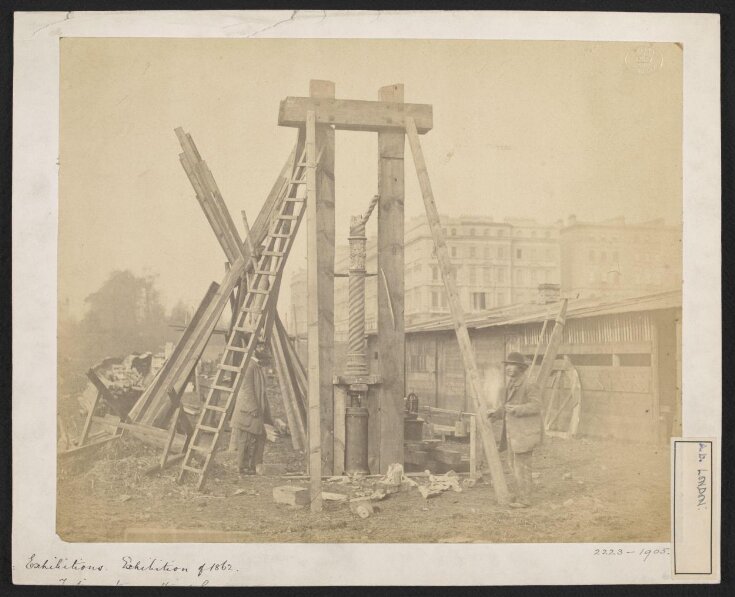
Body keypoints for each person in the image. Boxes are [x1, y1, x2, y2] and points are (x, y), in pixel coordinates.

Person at [487, 352, 542, 508]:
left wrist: (518, 409)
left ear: (521, 368)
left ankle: (525, 500)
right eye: (507, 365)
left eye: (513, 366)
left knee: (523, 467)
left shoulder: (529, 384)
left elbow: (537, 406)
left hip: (524, 432)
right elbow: (505, 408)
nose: (509, 369)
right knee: (512, 464)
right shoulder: (510, 384)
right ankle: (520, 495)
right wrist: (494, 414)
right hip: (513, 433)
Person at [231, 342, 272, 475]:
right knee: (246, 439)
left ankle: (252, 466)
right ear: (254, 350)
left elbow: (261, 391)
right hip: (247, 411)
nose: (264, 349)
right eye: (260, 347)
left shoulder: (257, 366)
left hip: (254, 410)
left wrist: (266, 413)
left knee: (258, 436)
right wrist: (253, 408)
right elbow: (247, 389)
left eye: (264, 347)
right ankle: (243, 467)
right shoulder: (249, 366)